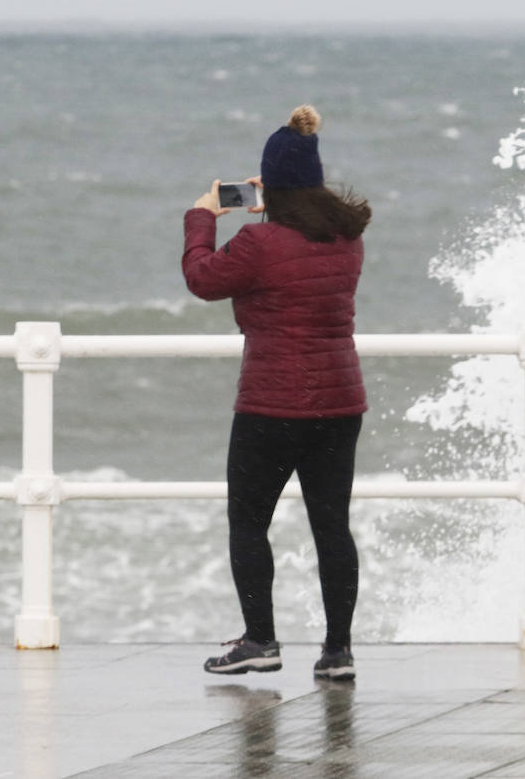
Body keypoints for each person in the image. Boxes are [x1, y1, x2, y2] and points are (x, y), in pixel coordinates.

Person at [183, 104, 370, 681]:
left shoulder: (258, 243)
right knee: (331, 525)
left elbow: (202, 279)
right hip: (339, 401)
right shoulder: (347, 239)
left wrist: (201, 214)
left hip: (272, 404)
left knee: (248, 521)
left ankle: (261, 640)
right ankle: (337, 650)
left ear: (271, 186)